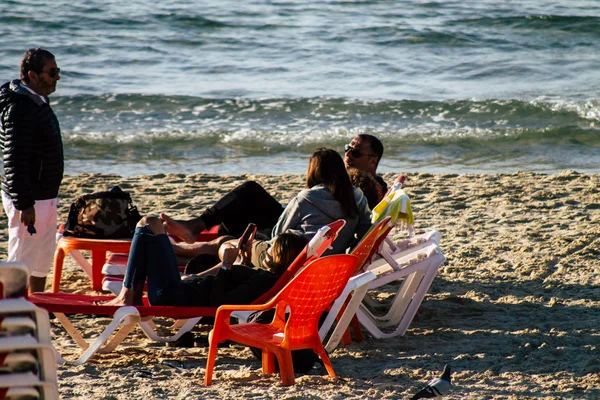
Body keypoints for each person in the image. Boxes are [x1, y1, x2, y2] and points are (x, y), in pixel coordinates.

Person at [161, 137, 386, 243]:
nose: (347, 155)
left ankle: (198, 234)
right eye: (347, 149)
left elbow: (352, 221)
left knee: (249, 192)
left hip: (301, 235)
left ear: (373, 162)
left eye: (355, 153)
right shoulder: (345, 182)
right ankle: (200, 230)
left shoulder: (367, 188)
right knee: (245, 204)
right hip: (308, 226)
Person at [107, 216, 308, 307]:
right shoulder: (263, 275)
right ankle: (130, 294)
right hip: (181, 289)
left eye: (272, 247)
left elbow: (220, 303)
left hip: (171, 296)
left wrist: (228, 265)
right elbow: (222, 283)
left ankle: (128, 295)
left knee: (149, 224)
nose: (267, 247)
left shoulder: (263, 280)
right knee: (150, 231)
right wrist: (199, 275)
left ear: (279, 256)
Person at [0, 48, 63, 293]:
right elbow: (13, 158)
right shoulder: (20, 109)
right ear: (32, 75)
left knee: (42, 258)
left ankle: (37, 305)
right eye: (52, 72)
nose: (57, 77)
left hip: (44, 194)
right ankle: (11, 310)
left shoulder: (36, 100)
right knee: (22, 259)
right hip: (30, 198)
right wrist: (24, 202)